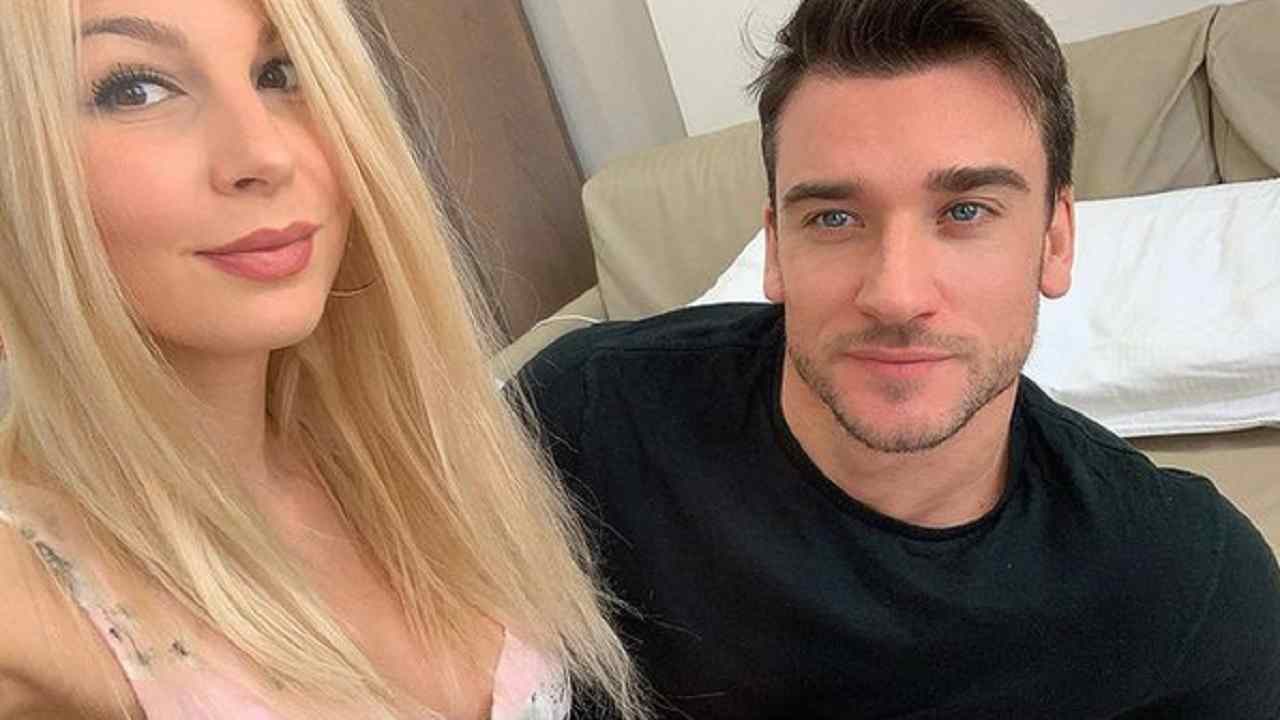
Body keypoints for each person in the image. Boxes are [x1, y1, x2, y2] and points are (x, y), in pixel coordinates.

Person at [516, 0, 1280, 717]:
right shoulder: (582, 417)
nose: (895, 295)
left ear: (1055, 240)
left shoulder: (1190, 589)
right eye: (835, 218)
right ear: (776, 247)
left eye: (965, 212)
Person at [0, 1, 648, 719]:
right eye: (134, 89)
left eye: (279, 73)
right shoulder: (25, 600)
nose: (266, 154)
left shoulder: (411, 451)